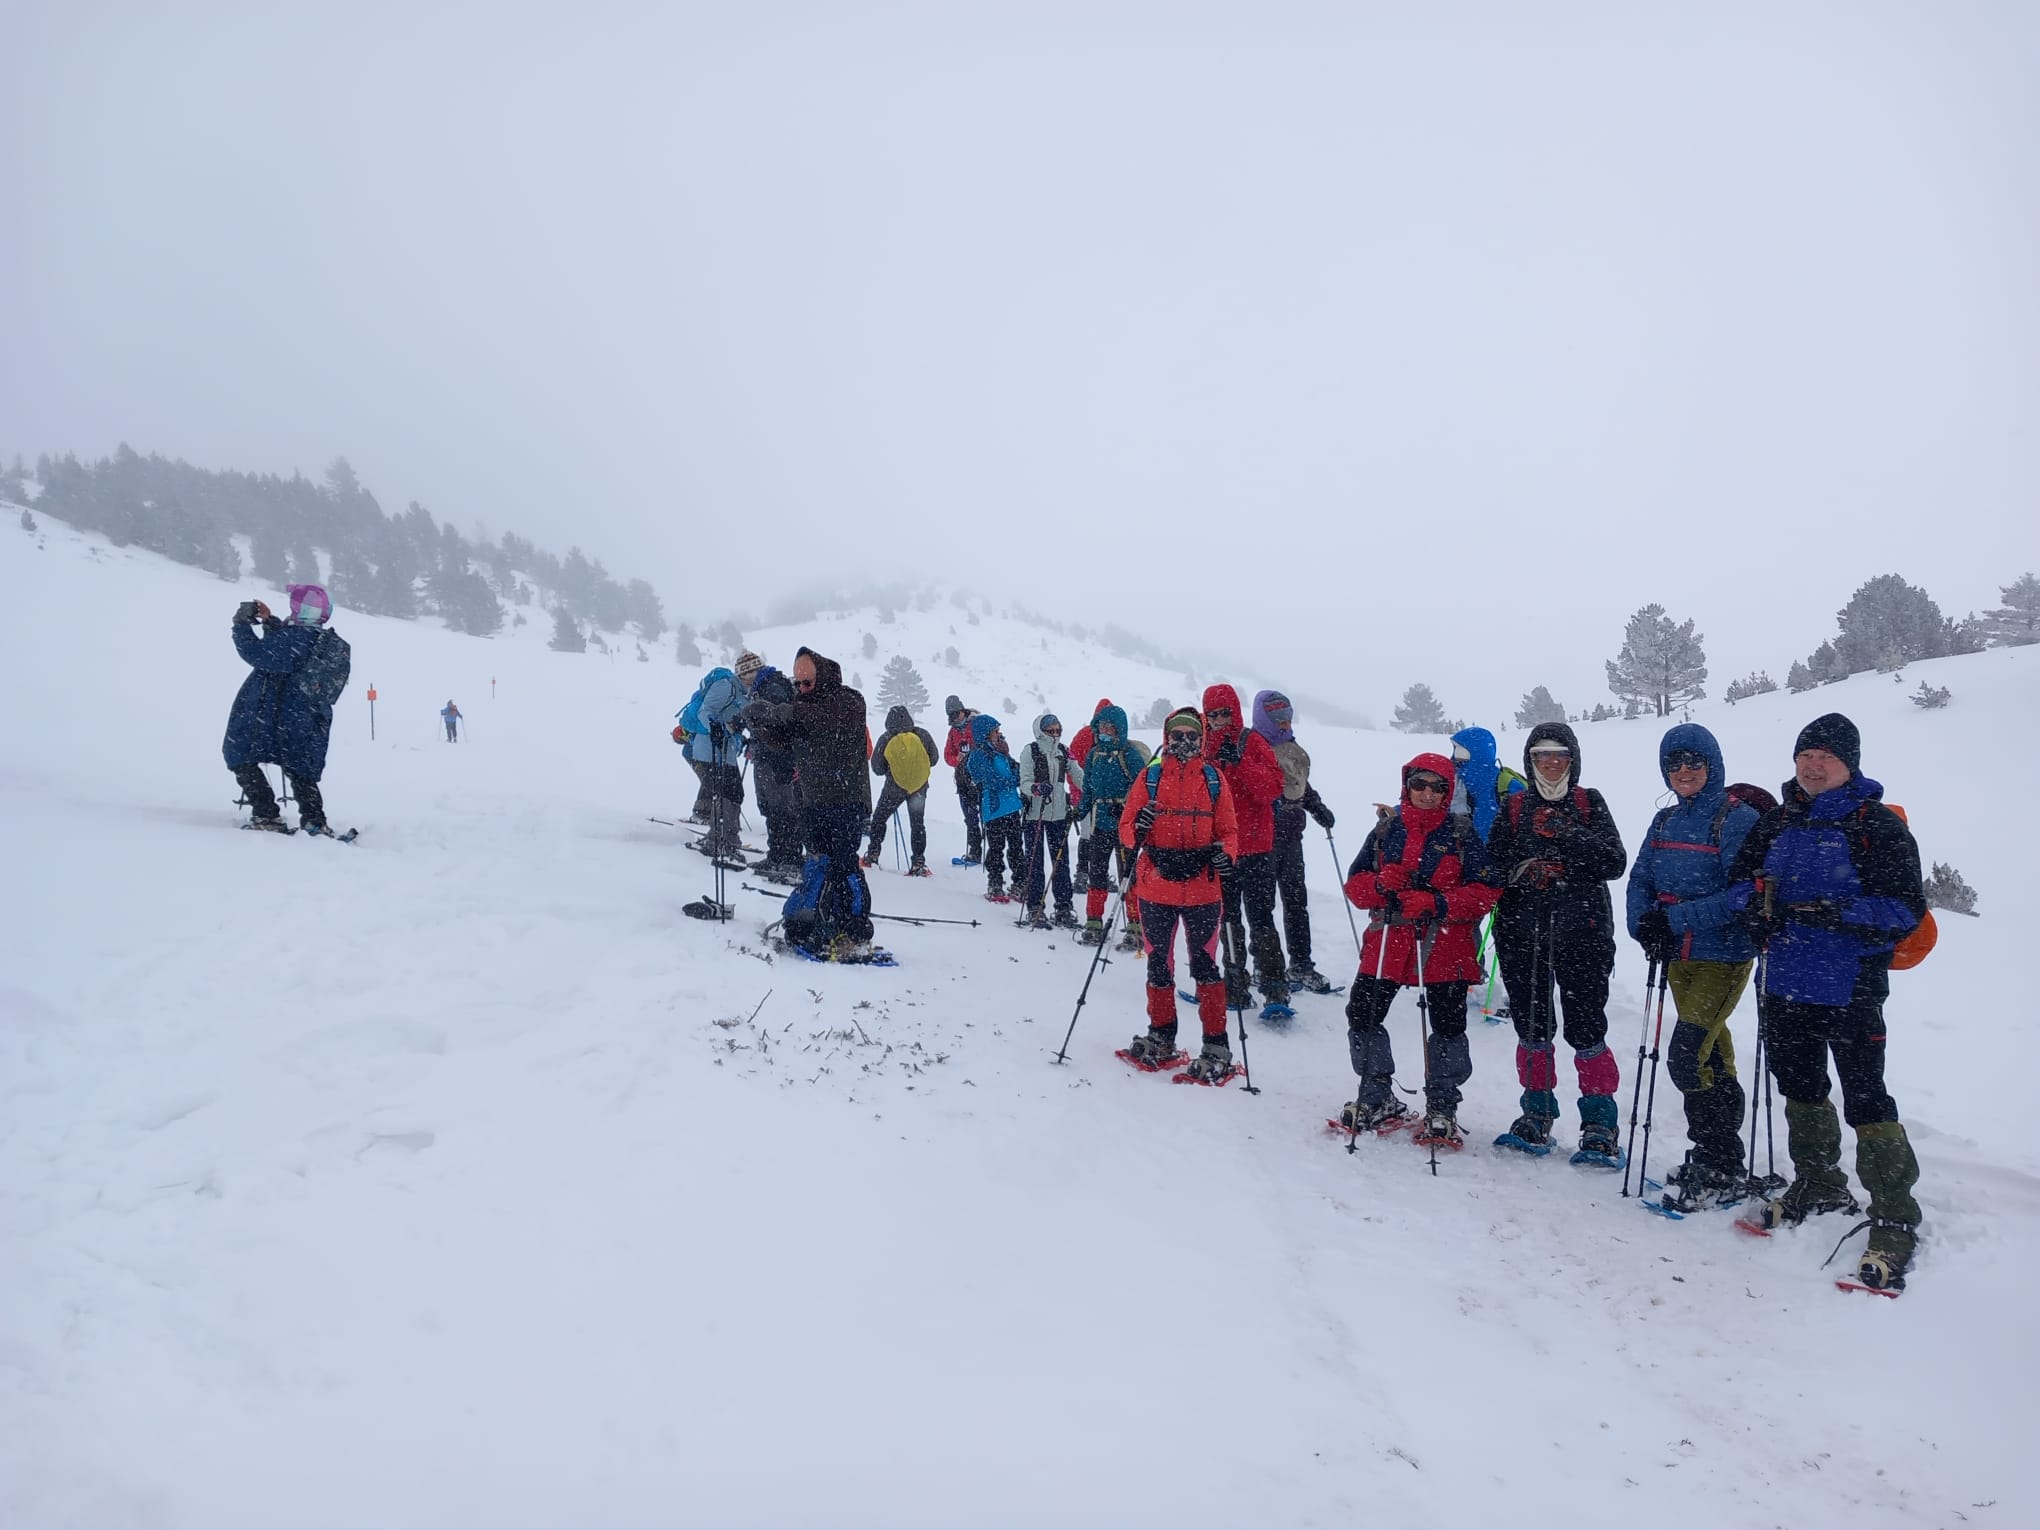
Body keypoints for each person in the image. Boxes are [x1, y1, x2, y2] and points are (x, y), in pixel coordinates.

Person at [1724, 713, 1926, 1291]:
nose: (1813, 766)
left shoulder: (1878, 827)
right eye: (1804, 756)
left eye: (1826, 757)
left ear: (1849, 764)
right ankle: (1818, 1181)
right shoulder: (1777, 820)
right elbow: (1741, 882)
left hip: (1851, 984)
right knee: (1801, 1085)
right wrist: (1755, 907)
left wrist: (1841, 916)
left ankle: (1893, 1215)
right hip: (1785, 980)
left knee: (1866, 1097)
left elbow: (1905, 907)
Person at [1624, 723, 1762, 1208]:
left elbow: (1741, 895)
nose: (1683, 772)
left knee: (1686, 1055)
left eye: (1693, 763)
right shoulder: (1663, 822)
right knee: (1712, 1055)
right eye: (1674, 765)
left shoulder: (1735, 820)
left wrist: (1672, 919)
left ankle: (1717, 1157)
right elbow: (1640, 876)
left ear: (1712, 765)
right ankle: (1721, 1159)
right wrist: (1643, 923)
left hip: (1722, 956)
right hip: (1676, 957)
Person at [1483, 722, 1630, 1160]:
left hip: (1583, 935)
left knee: (1586, 1026)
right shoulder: (1513, 807)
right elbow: (1491, 868)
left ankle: (1600, 1122)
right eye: (1541, 755)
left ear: (1572, 760)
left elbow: (1615, 861)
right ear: (1529, 761)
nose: (1550, 763)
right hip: (1521, 935)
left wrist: (1568, 835)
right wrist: (1525, 869)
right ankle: (1536, 1115)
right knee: (1532, 1027)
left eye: (1560, 755)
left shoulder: (1588, 802)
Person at [1339, 754, 1503, 1142]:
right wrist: (1380, 884)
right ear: (1406, 785)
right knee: (1362, 1011)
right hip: (1388, 942)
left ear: (1448, 792)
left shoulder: (1462, 834)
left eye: (1437, 787)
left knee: (1447, 1022)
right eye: (1420, 785)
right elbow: (1355, 886)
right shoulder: (1385, 831)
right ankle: (1375, 1092)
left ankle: (1442, 1104)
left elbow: (1487, 891)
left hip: (1446, 944)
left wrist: (1439, 904)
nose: (1427, 793)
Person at [1119, 707, 1242, 1083]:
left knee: (1205, 966)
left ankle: (1216, 1044)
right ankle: (1161, 1035)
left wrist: (1226, 854)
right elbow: (1126, 829)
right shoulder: (1151, 777)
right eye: (1178, 735)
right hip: (1157, 885)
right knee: (1159, 965)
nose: (1184, 742)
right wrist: (1137, 828)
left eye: (1191, 736)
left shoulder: (1214, 779)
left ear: (1201, 739)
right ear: (1166, 737)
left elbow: (1230, 831)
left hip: (1204, 888)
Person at [741, 647, 874, 954]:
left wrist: (780, 712)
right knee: (817, 864)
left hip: (845, 799)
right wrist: (759, 725)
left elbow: (824, 719)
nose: (801, 689)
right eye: (797, 683)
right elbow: (784, 742)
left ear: (823, 677)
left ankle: (853, 927)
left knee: (844, 865)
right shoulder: (803, 706)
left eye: (807, 683)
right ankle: (814, 920)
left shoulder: (848, 701)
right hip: (813, 801)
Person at [222, 583, 348, 835]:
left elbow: (257, 653)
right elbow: (284, 652)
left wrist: (241, 625)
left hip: (274, 713)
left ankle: (266, 814)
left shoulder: (293, 639)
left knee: (239, 754)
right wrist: (270, 622)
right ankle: (314, 820)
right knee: (300, 767)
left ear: (298, 608)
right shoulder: (325, 641)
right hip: (308, 715)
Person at [1201, 684, 1290, 1010]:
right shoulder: (1203, 746)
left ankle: (1274, 985)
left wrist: (1240, 763)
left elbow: (1272, 789)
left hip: (1255, 847)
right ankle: (1235, 982)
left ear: (1235, 711)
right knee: (1228, 919)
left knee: (1261, 917)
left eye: (1225, 712)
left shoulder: (1251, 741)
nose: (1220, 719)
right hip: (1221, 848)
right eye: (1214, 714)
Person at [1255, 690, 1339, 993]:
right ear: (1263, 717)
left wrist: (1318, 809)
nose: (1283, 723)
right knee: (1262, 906)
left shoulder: (1289, 747)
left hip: (1291, 836)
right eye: (1277, 718)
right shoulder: (1253, 746)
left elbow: (1300, 785)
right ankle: (1263, 967)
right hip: (1260, 840)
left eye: (1287, 717)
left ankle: (1301, 965)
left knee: (1295, 902)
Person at [1074, 702, 1150, 948]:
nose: (1105, 731)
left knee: (1128, 875)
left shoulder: (1129, 755)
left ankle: (1136, 925)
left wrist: (1128, 807)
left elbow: (1143, 788)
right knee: (1097, 873)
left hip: (1125, 824)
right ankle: (1094, 922)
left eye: (1110, 728)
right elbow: (1087, 790)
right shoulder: (1094, 755)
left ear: (1120, 729)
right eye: (1101, 727)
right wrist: (1079, 811)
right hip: (1101, 824)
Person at [1013, 712, 1085, 928]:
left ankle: (1064, 906)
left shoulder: (1064, 752)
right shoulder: (1030, 751)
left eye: (1058, 730)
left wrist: (1092, 793)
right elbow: (1024, 782)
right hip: (1035, 813)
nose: (1055, 734)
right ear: (1040, 731)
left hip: (1060, 813)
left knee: (1061, 862)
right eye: (1050, 730)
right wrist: (1036, 788)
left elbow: (1079, 775)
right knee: (1035, 861)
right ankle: (1035, 906)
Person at [736, 651, 803, 883]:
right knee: (771, 807)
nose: (743, 682)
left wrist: (782, 758)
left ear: (751, 672)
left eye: (743, 677)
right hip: (767, 757)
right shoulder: (764, 687)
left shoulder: (772, 688)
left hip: (778, 759)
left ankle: (790, 860)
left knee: (783, 809)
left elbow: (778, 725)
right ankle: (777, 855)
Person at [681, 663, 749, 862]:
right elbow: (706, 711)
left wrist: (738, 736)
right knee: (727, 792)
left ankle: (722, 839)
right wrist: (715, 729)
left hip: (725, 750)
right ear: (745, 673)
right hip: (709, 749)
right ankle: (721, 841)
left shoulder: (743, 692)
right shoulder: (726, 685)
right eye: (751, 673)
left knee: (731, 793)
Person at [865, 704, 939, 875]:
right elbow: (934, 759)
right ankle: (918, 862)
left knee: (879, 819)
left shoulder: (886, 738)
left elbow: (877, 768)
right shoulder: (921, 734)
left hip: (894, 788)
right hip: (919, 788)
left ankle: (873, 854)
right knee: (917, 824)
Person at [965, 713, 1025, 901]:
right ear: (985, 734)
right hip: (994, 808)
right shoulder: (977, 756)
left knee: (1016, 847)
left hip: (1011, 807)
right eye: (995, 731)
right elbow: (992, 780)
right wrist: (1012, 780)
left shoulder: (1000, 752)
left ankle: (1019, 882)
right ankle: (995, 883)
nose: (998, 734)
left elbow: (1018, 772)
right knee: (996, 848)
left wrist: (1012, 779)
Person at [1067, 696, 1110, 894]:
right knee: (1087, 835)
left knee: (1102, 837)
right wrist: (1080, 795)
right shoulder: (1084, 737)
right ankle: (1083, 875)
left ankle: (1097, 875)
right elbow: (1072, 768)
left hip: (1105, 799)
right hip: (1086, 797)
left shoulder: (1113, 740)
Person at [943, 695, 984, 866]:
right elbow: (947, 755)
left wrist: (974, 757)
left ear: (963, 710)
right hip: (962, 780)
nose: (954, 718)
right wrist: (957, 760)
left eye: (956, 714)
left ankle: (993, 854)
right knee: (970, 817)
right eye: (950, 715)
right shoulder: (953, 731)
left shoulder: (978, 724)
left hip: (981, 779)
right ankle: (975, 852)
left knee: (987, 817)